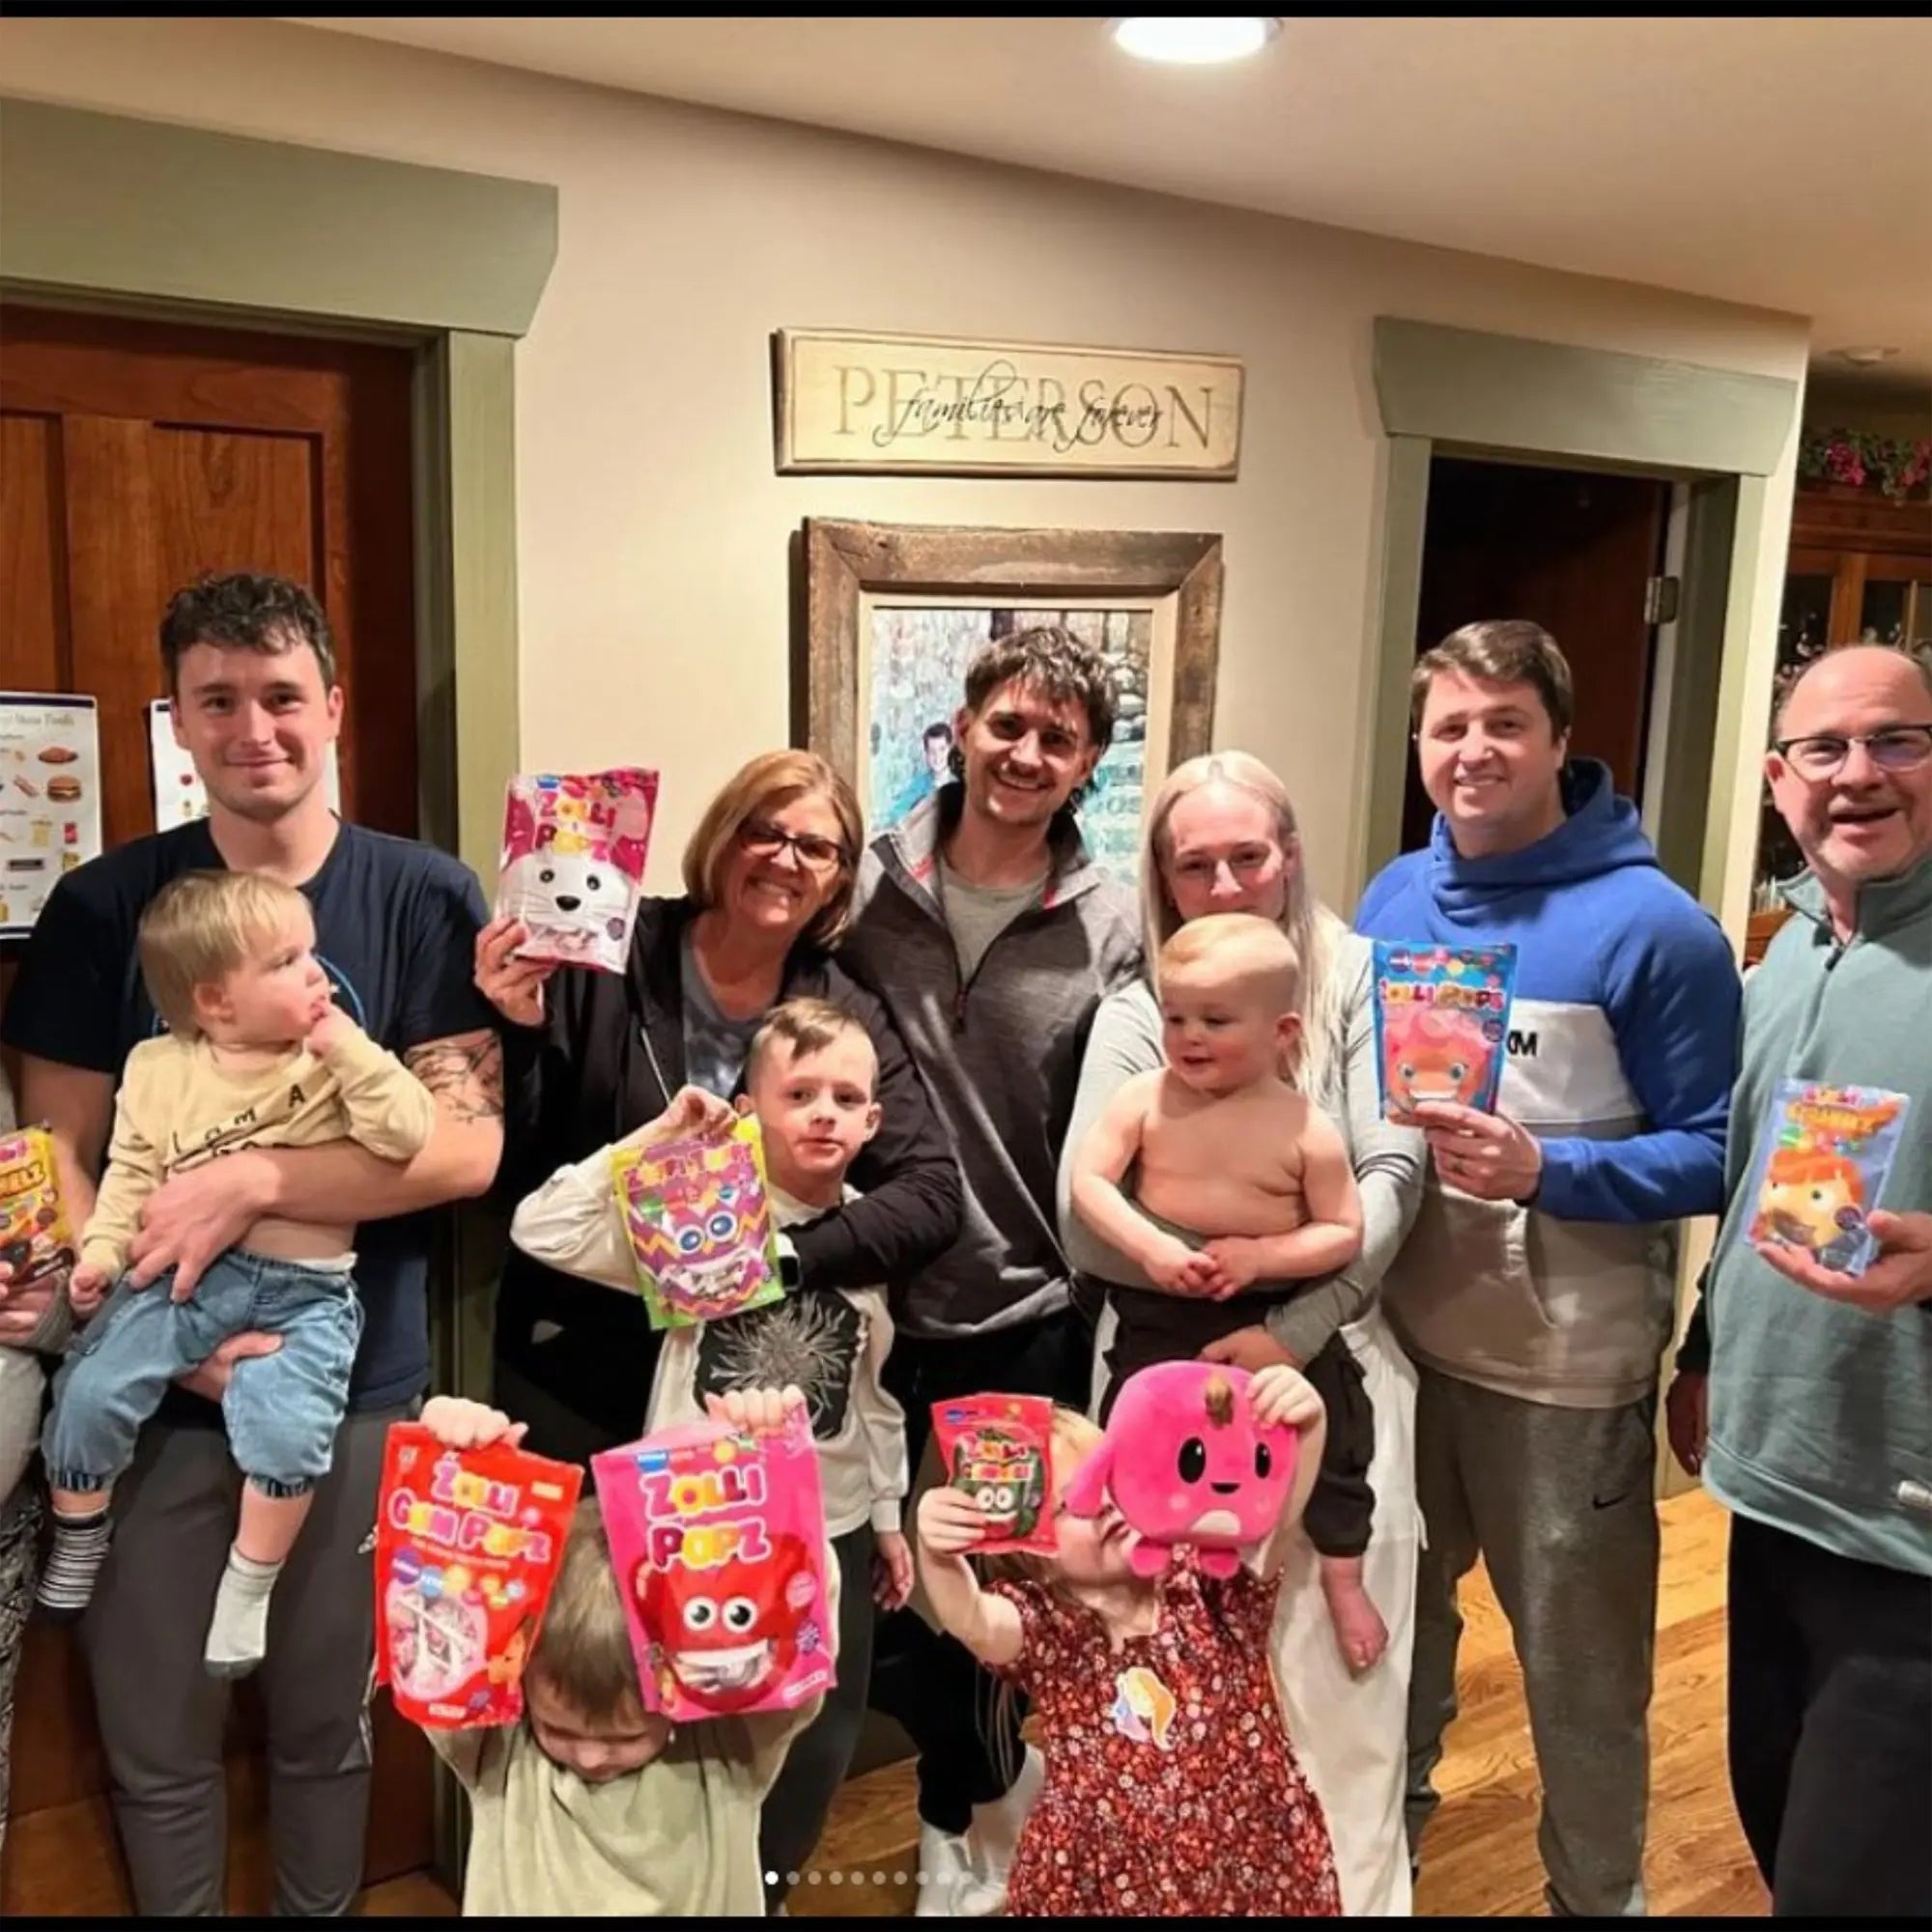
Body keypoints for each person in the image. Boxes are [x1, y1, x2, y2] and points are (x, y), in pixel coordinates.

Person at [0, 570, 504, 1918]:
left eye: (282, 695)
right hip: (154, 1386)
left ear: (332, 706)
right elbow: (60, 1168)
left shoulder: (420, 898)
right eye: (216, 700)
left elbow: (462, 1146)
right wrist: (153, 1330)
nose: (253, 728)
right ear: (178, 721)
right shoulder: (108, 910)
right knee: (156, 1742)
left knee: (326, 1732)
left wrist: (257, 1179)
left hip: (354, 1382)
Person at [1355, 619, 1741, 1918]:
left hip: (1563, 1379)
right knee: (1392, 1659)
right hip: (1399, 1355)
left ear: (1563, 744)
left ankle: (1599, 1900)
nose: (1474, 750)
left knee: (1582, 1686)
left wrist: (1551, 1173)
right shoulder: (1393, 900)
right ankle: (1378, 1879)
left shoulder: (1658, 930)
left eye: (1503, 723)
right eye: (1449, 726)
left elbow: (1719, 1153)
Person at [1059, 748, 1425, 1916]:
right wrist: (1178, 1266)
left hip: (1315, 1360)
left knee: (1326, 1693)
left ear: (1291, 852)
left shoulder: (1362, 980)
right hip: (1168, 1376)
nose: (1223, 880)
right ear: (1161, 875)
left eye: (1247, 854)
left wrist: (1291, 1320)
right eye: (1192, 860)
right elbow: (1086, 1213)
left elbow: (1386, 1172)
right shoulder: (1138, 1014)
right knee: (1164, 1674)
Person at [840, 624, 1143, 1914]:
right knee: (885, 1605)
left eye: (1057, 740)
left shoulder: (1115, 922)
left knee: (997, 1601)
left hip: (1024, 1317)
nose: (1026, 754)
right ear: (959, 729)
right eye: (1007, 726)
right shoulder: (861, 890)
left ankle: (978, 1842)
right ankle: (958, 1805)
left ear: (1085, 768)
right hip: (861, 1319)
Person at [504, 999, 912, 1906]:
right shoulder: (701, 1210)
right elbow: (543, 1228)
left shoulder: (874, 1233)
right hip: (690, 1534)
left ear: (874, 1120)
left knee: (809, 1760)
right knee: (691, 1759)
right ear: (748, 1101)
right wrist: (658, 1139)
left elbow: (874, 1392)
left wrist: (886, 1516)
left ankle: (757, 1896)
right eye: (798, 1092)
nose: (824, 1113)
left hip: (827, 1534)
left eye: (847, 1097)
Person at [475, 749, 960, 1464]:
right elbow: (524, 1161)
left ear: (839, 877)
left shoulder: (840, 1008)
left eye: (815, 847)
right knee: (583, 1575)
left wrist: (773, 1263)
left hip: (734, 1395)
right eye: (762, 831)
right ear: (722, 837)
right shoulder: (614, 951)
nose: (785, 859)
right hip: (576, 1361)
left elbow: (933, 1196)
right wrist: (518, 1030)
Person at [1665, 642, 1932, 1918]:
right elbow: (1746, 1186)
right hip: (1774, 1490)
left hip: (1913, 1531)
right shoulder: (1774, 964)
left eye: (1896, 742)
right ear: (1778, 781)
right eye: (1823, 750)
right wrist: (1703, 1351)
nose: (1859, 775)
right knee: (1780, 1829)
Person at [37, 871, 436, 1680]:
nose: (317, 973)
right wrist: (104, 1255)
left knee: (290, 1430)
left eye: (311, 952)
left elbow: (407, 1133)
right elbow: (130, 1170)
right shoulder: (157, 1067)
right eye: (288, 961)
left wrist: (350, 1051)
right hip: (182, 1278)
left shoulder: (331, 1058)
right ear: (216, 1002)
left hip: (308, 1289)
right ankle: (80, 1527)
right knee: (91, 1384)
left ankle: (249, 1586)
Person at [1068, 911, 1385, 1670]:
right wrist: (1152, 1248)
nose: (1189, 1036)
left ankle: (1344, 1572)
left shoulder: (1306, 1126)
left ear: (1282, 1031)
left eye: (1215, 1019)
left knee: (1340, 1421)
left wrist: (1262, 1254)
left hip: (1268, 1307)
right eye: (1175, 1016)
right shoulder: (1146, 1097)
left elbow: (1345, 1231)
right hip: (1158, 1302)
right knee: (1134, 1423)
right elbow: (1089, 1181)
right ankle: (1133, 1565)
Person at [915, 1362, 1339, 1917]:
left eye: (1110, 1478)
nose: (1104, 1505)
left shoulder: (1203, 1581)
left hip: (1253, 1855)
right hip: (1111, 1881)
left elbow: (1278, 1522)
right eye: (1070, 1506)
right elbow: (971, 1617)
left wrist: (1309, 1428)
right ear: (1034, 1556)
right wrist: (937, 1551)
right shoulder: (1049, 1626)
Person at [410, 1384, 836, 1917]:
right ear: (517, 1682)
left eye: (625, 1736)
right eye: (558, 1730)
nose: (589, 1757)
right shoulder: (500, 1756)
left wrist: (768, 1467)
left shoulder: (728, 1751)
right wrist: (451, 1466)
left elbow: (798, 1613)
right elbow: (436, 1626)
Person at [886, 721, 954, 827]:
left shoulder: (959, 784)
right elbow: (898, 811)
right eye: (932, 751)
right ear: (926, 754)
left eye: (942, 749)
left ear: (950, 750)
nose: (937, 757)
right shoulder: (920, 784)